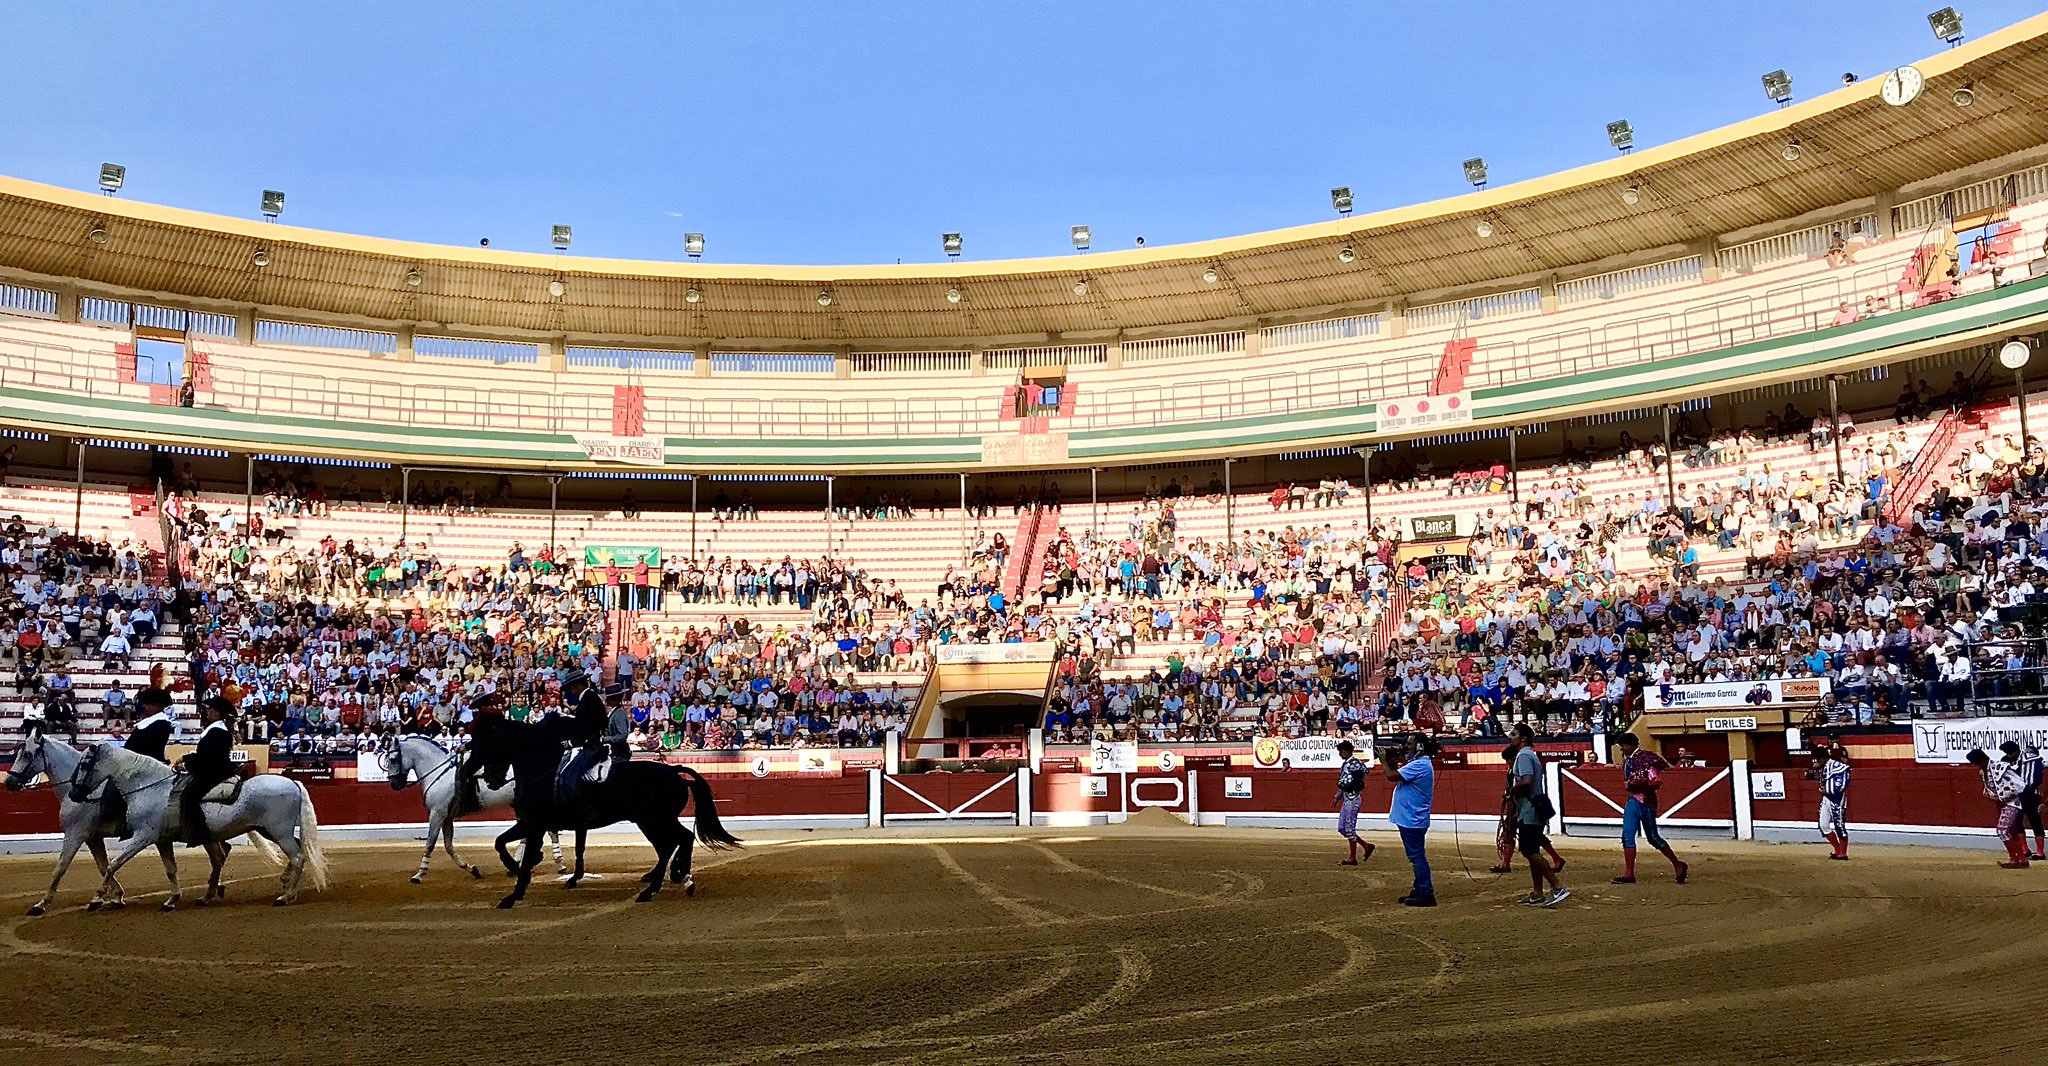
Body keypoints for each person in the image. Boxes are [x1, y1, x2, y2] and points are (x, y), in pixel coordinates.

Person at [1611, 733, 1689, 885]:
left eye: (1623, 746)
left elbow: (1657, 775)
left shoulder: (1646, 757)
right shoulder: (1629, 759)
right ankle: (1629, 873)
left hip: (1647, 801)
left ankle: (1677, 864)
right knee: (1627, 835)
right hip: (1633, 800)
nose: (1622, 749)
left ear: (1630, 745)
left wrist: (1631, 784)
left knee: (1653, 837)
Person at [1508, 723, 1569, 907]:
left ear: (1523, 738)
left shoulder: (1523, 756)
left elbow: (1526, 782)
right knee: (1532, 850)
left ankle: (1557, 887)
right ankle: (1537, 893)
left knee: (1529, 851)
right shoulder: (1529, 755)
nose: (1510, 737)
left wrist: (1511, 791)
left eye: (1514, 734)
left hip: (1529, 809)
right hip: (1531, 808)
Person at [1490, 741, 1565, 875]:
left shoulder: (1519, 768)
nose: (1508, 763)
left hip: (1523, 807)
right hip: (1519, 806)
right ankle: (1506, 863)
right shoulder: (1513, 770)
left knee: (1518, 835)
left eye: (1509, 760)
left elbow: (1520, 789)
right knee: (1516, 833)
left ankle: (1506, 864)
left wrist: (1511, 807)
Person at [1379, 732, 1435, 907]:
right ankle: (1420, 889)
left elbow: (1391, 776)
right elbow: (1396, 772)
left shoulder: (1419, 765)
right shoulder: (1419, 763)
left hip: (1412, 818)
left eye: (1410, 744)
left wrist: (1383, 761)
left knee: (1417, 857)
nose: (1406, 747)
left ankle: (1426, 892)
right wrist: (1391, 760)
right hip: (1412, 817)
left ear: (1419, 747)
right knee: (1417, 856)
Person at [181, 696, 239, 846]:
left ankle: (201, 834)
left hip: (214, 772)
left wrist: (186, 761)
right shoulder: (216, 730)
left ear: (217, 713)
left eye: (211, 709)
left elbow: (207, 757)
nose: (207, 712)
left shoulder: (217, 732)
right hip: (213, 769)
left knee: (189, 796)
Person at [1967, 747, 2032, 868]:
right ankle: (2022, 860)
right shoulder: (1985, 771)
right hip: (2001, 804)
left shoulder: (2000, 767)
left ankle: (2014, 859)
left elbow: (2019, 784)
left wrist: (2006, 795)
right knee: (2011, 832)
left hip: (2012, 803)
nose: (1977, 767)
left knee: (2002, 830)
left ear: (1983, 760)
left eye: (1977, 764)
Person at [1330, 740, 1375, 866]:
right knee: (1342, 828)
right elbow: (1343, 784)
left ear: (1346, 751)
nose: (1340, 754)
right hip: (1347, 799)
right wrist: (1337, 797)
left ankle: (1352, 858)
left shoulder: (1354, 764)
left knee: (1349, 828)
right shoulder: (1347, 764)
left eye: (1341, 751)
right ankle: (1366, 846)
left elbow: (1353, 781)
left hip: (1353, 799)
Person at [1807, 739, 1851, 860]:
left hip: (1837, 799)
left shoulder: (1837, 767)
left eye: (1817, 760)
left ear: (1823, 758)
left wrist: (1828, 789)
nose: (1816, 762)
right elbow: (1809, 775)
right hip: (1826, 798)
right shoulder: (1822, 767)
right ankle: (1837, 850)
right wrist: (1814, 771)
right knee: (1823, 825)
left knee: (1839, 826)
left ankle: (1843, 853)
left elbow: (1842, 784)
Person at [123, 687, 177, 764]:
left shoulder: (162, 723)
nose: (145, 706)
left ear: (158, 705)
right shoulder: (148, 721)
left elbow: (149, 747)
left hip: (148, 764)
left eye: (149, 704)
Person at [2014, 742, 2046, 861]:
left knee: (2020, 820)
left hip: (2024, 794)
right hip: (2033, 795)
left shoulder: (2019, 762)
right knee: (2034, 821)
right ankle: (2036, 852)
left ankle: (2027, 850)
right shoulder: (2039, 762)